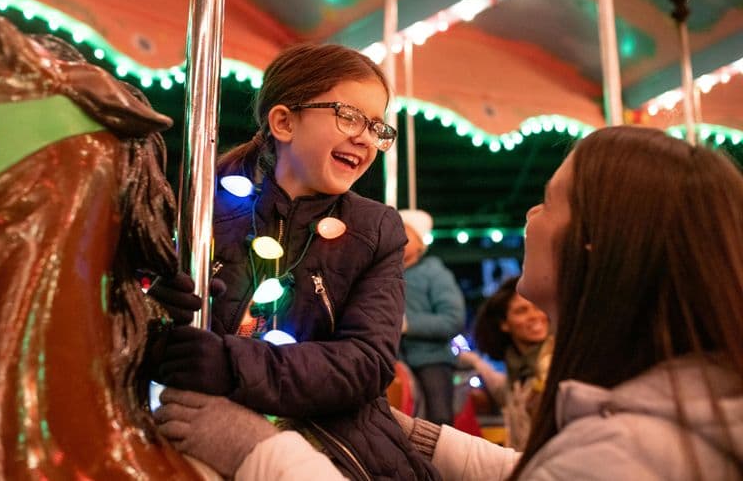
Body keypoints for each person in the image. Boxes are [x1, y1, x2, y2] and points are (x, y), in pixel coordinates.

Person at [157, 126, 743, 480]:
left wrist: (263, 453)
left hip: (425, 355)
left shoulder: (623, 457)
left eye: (547, 202)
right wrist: (418, 437)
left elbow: (374, 351)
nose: (530, 218)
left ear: (601, 243)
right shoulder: (654, 418)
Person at [149, 43, 438, 479]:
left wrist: (230, 365)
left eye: (376, 126)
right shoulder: (203, 212)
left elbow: (366, 362)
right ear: (284, 121)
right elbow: (144, 341)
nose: (365, 136)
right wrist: (157, 312)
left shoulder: (375, 229)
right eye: (349, 115)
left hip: (331, 440)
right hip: (201, 425)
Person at [460, 275, 552, 450]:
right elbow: (501, 389)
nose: (534, 316)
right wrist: (474, 361)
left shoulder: (556, 363)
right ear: (504, 324)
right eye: (521, 311)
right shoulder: (517, 373)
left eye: (537, 307)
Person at [398, 209, 466, 425]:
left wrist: (407, 324)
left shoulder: (434, 272)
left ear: (420, 244)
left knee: (439, 419)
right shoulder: (384, 273)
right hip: (393, 357)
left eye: (405, 233)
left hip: (431, 358)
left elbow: (453, 318)